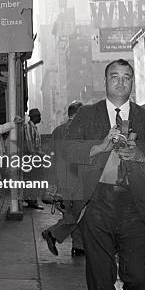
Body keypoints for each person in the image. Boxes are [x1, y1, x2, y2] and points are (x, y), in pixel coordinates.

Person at [65, 59, 145, 290]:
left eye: (127, 77)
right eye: (115, 77)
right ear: (105, 81)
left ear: (132, 82)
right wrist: (99, 147)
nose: (121, 82)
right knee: (100, 279)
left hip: (134, 206)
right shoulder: (87, 115)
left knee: (138, 278)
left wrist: (140, 154)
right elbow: (68, 154)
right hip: (98, 205)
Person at [41, 101, 85, 258]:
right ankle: (52, 233)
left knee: (74, 212)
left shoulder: (57, 131)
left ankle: (78, 246)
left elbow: (50, 158)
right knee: (79, 213)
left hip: (63, 179)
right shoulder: (80, 130)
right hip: (78, 179)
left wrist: (52, 182)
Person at [23, 108, 45, 209]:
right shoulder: (29, 127)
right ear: (34, 117)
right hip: (32, 158)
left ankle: (31, 200)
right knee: (34, 179)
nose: (40, 118)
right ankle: (32, 201)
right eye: (39, 116)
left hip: (34, 157)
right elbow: (29, 143)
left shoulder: (34, 127)